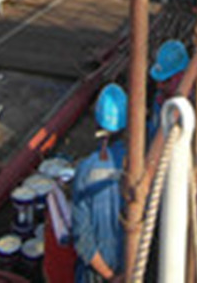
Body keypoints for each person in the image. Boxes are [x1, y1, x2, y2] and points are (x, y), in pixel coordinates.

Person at [72, 83, 127, 283]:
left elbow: (82, 236)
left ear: (97, 123)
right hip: (130, 267)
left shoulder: (85, 170)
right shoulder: (138, 166)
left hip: (96, 273)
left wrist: (110, 277)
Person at [148, 40, 190, 140]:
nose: (159, 86)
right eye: (158, 80)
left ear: (180, 77)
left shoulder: (186, 113)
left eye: (166, 81)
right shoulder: (160, 97)